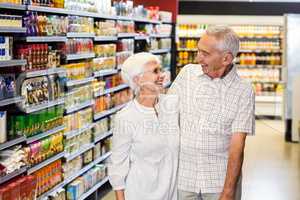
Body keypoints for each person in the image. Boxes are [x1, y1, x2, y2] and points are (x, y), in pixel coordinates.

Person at [169, 26, 255, 200]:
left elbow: (237, 146)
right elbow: (166, 113)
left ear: (226, 58)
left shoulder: (244, 90)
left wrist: (228, 191)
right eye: (198, 51)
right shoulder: (187, 74)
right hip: (184, 179)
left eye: (205, 53)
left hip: (218, 184)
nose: (198, 58)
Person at [108, 52, 179, 200]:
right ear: (138, 80)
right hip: (139, 194)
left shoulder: (171, 106)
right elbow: (117, 166)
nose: (162, 75)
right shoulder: (126, 117)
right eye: (155, 71)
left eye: (161, 70)